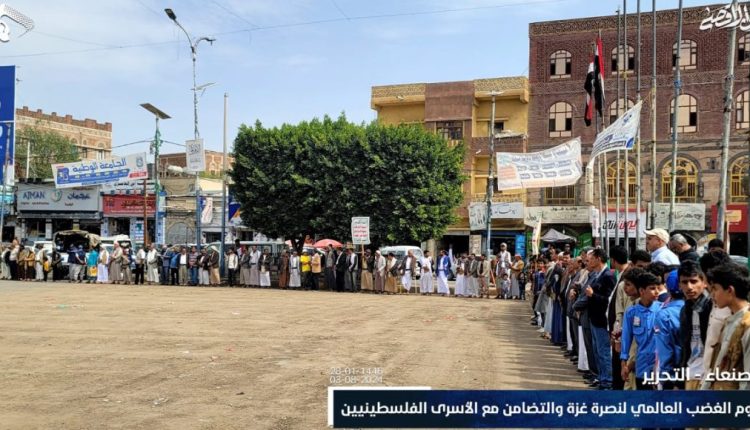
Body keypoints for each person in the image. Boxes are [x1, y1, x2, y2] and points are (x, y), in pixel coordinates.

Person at [700, 263, 750, 390]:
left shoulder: (747, 325)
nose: (712, 294)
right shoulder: (729, 322)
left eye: (715, 289)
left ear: (730, 290)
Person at [620, 270, 662, 390]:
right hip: (642, 366)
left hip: (659, 366)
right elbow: (626, 339)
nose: (657, 292)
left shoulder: (662, 310)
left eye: (658, 288)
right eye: (652, 288)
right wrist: (624, 364)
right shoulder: (631, 312)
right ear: (642, 291)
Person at [583, 248, 616, 390]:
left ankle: (607, 381)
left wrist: (593, 295)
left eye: (591, 258)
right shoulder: (598, 275)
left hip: (602, 320)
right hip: (594, 318)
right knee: (597, 351)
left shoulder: (608, 276)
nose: (588, 261)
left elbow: (609, 300)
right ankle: (602, 378)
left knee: (603, 352)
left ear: (598, 259)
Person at [654, 264, 686, 390]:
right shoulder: (696, 309)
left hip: (672, 377)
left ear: (667, 288)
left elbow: (665, 351)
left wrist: (664, 378)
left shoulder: (664, 314)